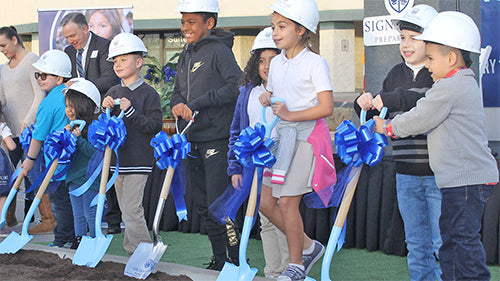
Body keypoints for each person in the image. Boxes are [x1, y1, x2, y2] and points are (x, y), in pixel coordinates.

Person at [373, 11, 499, 281]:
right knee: (454, 242)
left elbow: (421, 116)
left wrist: (388, 127)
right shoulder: (462, 83)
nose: (427, 64)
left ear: (451, 58)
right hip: (460, 180)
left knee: (461, 242)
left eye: (430, 58)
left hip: (463, 181)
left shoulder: (449, 87)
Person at [354, 5, 442, 281]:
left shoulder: (438, 72)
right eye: (403, 37)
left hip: (438, 174)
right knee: (416, 244)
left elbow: (424, 99)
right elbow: (378, 116)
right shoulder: (393, 74)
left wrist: (389, 98)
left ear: (432, 41)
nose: (406, 44)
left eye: (413, 37)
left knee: (442, 242)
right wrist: (364, 106)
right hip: (404, 172)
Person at [258, 0, 336, 280]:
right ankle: (308, 246)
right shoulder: (277, 63)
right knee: (266, 203)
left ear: (302, 30)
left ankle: (296, 266)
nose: (275, 32)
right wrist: (267, 97)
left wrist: (291, 114)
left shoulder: (315, 62)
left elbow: (326, 107)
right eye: (273, 26)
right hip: (283, 139)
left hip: (307, 139)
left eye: (282, 26)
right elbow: (276, 97)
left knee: (288, 203)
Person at [170, 0, 243, 270]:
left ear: (209, 23)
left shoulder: (220, 52)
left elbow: (236, 87)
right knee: (202, 205)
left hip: (217, 139)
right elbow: (178, 90)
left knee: (219, 205)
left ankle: (236, 261)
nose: (185, 27)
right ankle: (218, 259)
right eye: (183, 21)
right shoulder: (186, 53)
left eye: (191, 21)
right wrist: (177, 103)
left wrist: (198, 103)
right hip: (192, 140)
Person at [227, 27, 289, 279]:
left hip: (282, 163)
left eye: (273, 60)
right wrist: (234, 167)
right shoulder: (247, 93)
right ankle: (273, 272)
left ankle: (290, 269)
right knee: (265, 221)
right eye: (261, 60)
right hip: (254, 166)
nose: (266, 66)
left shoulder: (288, 90)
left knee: (284, 216)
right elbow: (235, 132)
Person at [61, 12, 122, 234]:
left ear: (86, 28)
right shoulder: (68, 52)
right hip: (78, 115)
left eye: (73, 35)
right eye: (67, 37)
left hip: (100, 116)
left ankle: (113, 222)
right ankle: (81, 234)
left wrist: (83, 84)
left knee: (104, 165)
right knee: (83, 164)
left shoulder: (105, 46)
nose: (71, 40)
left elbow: (111, 78)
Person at [101, 32, 162, 255]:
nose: (118, 65)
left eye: (123, 59)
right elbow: (104, 127)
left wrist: (131, 111)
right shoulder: (113, 91)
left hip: (139, 161)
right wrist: (105, 108)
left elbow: (154, 125)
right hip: (118, 162)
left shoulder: (149, 94)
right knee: (127, 211)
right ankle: (132, 251)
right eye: (115, 61)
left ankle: (145, 252)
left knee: (131, 210)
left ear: (138, 62)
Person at [21, 49, 75, 248]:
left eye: (44, 75)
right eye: (37, 75)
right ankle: (75, 236)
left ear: (59, 78)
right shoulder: (70, 95)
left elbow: (38, 137)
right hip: (72, 160)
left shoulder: (48, 103)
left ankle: (63, 238)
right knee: (72, 201)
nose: (39, 79)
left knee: (59, 202)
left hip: (57, 161)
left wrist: (29, 160)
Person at [0, 26, 45, 232]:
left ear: (15, 40)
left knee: (32, 174)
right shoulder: (2, 69)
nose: (2, 50)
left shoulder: (32, 61)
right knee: (7, 176)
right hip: (8, 132)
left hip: (29, 131)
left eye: (3, 45)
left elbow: (39, 93)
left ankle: (39, 218)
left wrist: (28, 119)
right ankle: (7, 218)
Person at [63, 79, 101, 249]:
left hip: (90, 179)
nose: (68, 111)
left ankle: (94, 241)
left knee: (90, 213)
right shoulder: (70, 127)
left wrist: (78, 139)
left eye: (72, 106)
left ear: (84, 106)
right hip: (73, 177)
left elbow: (95, 153)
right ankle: (78, 242)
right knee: (77, 214)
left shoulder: (95, 128)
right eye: (67, 106)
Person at [0, 102, 17, 237]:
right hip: (2, 165)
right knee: (3, 194)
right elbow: (11, 146)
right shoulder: (2, 126)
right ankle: (1, 223)